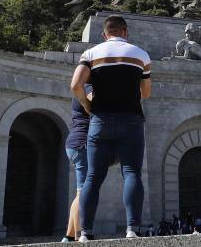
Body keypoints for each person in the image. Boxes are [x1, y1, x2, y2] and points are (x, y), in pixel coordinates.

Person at [72, 15, 152, 241]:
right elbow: (145, 93)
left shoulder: (90, 54)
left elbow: (76, 85)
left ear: (104, 33)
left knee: (93, 177)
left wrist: (88, 106)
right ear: (125, 32)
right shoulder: (141, 55)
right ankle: (132, 230)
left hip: (100, 120)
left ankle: (85, 233)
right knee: (131, 173)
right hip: (131, 120)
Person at [62, 83, 94, 242]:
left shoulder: (83, 87)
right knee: (83, 193)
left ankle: (68, 236)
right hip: (83, 144)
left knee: (79, 193)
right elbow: (95, 100)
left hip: (75, 144)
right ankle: (79, 235)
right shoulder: (88, 87)